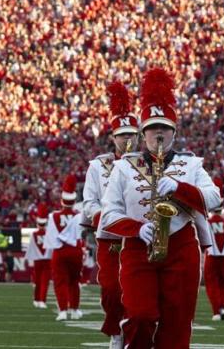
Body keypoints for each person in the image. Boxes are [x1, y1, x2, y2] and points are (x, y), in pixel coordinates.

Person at [100, 67, 221, 348]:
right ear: (142, 133)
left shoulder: (191, 164)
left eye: (164, 129)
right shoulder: (123, 167)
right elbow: (109, 214)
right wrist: (137, 228)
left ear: (174, 133)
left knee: (177, 323)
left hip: (180, 248)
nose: (158, 134)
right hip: (137, 248)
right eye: (153, 129)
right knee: (140, 315)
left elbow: (214, 197)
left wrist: (180, 188)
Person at [80, 80, 137, 347]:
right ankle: (117, 330)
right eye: (123, 135)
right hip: (111, 236)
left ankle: (131, 335)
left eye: (132, 135)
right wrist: (104, 216)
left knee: (137, 291)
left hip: (139, 236)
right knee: (111, 289)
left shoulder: (147, 165)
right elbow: (88, 202)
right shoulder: (97, 166)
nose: (128, 140)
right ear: (113, 137)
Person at [46, 174, 84, 321]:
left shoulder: (53, 216)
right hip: (75, 250)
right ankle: (75, 309)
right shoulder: (79, 215)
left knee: (60, 282)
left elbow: (51, 238)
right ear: (74, 201)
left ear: (62, 201)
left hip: (60, 251)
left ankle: (63, 310)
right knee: (74, 281)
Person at [24, 205, 52, 308]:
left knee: (37, 281)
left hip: (37, 260)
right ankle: (42, 300)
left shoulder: (33, 234)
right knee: (45, 281)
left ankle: (36, 299)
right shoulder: (49, 233)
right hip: (47, 260)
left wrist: (31, 260)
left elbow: (30, 248)